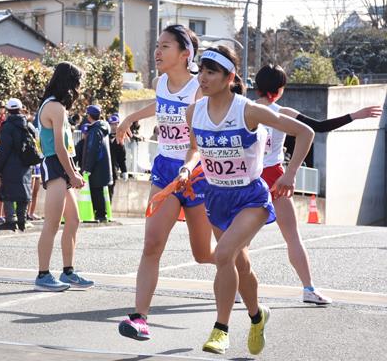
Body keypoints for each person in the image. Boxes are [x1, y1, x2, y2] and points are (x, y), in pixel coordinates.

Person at [181, 46, 313, 355]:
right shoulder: (194, 111)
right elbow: (195, 149)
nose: (203, 77)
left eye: (211, 72)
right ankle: (257, 315)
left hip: (250, 196)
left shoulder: (248, 110)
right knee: (240, 264)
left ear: (229, 77)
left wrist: (290, 173)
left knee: (223, 255)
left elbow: (305, 133)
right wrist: (188, 167)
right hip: (215, 195)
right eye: (201, 70)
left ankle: (221, 329)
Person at [116, 25, 214, 341]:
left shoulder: (199, 89)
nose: (158, 52)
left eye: (166, 46)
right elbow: (160, 105)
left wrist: (187, 168)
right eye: (157, 45)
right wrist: (131, 118)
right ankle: (140, 317)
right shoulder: (160, 82)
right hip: (164, 170)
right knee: (152, 243)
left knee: (204, 254)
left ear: (186, 54)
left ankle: (235, 266)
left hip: (196, 172)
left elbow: (198, 145)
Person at [254, 64, 382, 305]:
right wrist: (355, 115)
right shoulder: (282, 111)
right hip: (276, 178)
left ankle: (240, 288)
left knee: (241, 238)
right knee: (292, 236)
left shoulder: (244, 109)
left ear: (257, 87)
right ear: (280, 90)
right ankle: (308, 288)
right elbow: (319, 127)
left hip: (249, 176)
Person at [35, 61, 93, 292]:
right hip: (55, 164)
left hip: (62, 165)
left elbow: (65, 148)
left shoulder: (56, 106)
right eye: (77, 83)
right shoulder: (55, 107)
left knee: (74, 219)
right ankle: (43, 274)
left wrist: (73, 172)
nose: (79, 88)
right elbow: (58, 148)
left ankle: (68, 271)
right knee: (52, 223)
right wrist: (73, 174)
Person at [0, 98, 33, 231]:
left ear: (8, 111)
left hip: (10, 165)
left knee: (8, 193)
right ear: (21, 109)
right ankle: (22, 220)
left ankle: (11, 220)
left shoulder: (7, 126)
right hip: (26, 163)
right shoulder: (28, 125)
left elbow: (3, 149)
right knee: (23, 192)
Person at [81, 104, 113, 222]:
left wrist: (88, 167)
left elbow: (92, 149)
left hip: (96, 166)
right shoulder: (102, 127)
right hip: (102, 166)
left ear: (89, 116)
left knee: (96, 190)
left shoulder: (95, 130)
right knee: (98, 190)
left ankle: (100, 214)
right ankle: (101, 214)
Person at [107, 114, 127, 201]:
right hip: (101, 168)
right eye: (111, 124)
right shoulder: (103, 136)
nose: (113, 126)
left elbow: (121, 158)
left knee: (110, 192)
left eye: (115, 124)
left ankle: (107, 212)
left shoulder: (120, 138)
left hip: (113, 169)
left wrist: (124, 171)